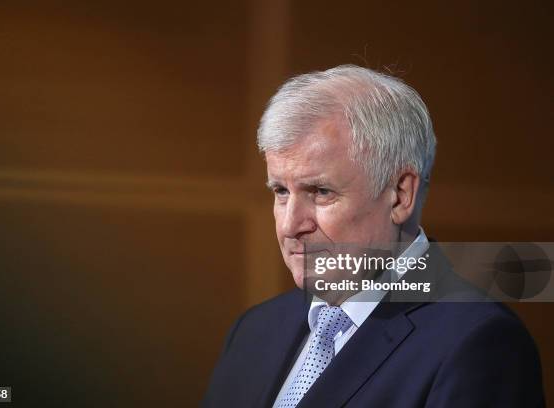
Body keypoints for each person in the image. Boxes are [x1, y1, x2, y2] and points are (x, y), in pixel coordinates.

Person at [202, 65, 544, 407]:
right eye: (280, 191)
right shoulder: (253, 331)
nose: (290, 225)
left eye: (321, 192)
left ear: (400, 194)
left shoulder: (478, 344)